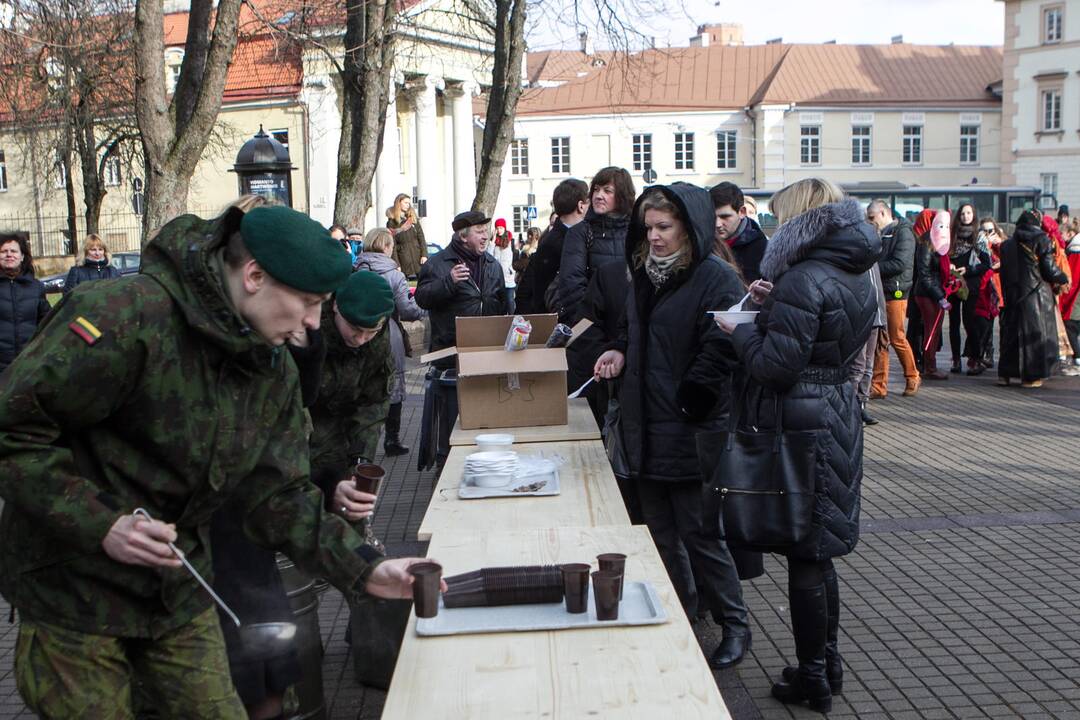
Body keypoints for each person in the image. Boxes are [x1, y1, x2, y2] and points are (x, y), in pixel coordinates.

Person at [0, 205, 440, 717]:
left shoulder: (268, 363)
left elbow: (277, 494)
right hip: (72, 595)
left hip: (178, 592)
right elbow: (13, 432)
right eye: (307, 302)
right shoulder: (123, 316)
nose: (312, 324)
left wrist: (366, 569)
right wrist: (103, 523)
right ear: (254, 276)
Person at [716, 178, 880, 714]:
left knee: (807, 555)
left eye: (781, 217)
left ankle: (813, 677)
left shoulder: (805, 277)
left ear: (801, 220)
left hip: (803, 421)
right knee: (821, 550)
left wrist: (739, 330)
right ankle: (826, 664)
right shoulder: (854, 269)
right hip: (836, 413)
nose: (776, 225)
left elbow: (774, 366)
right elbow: (823, 336)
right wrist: (774, 307)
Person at [594, 182, 751, 672]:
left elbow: (724, 346)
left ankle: (735, 625)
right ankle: (678, 616)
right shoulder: (643, 273)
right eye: (648, 228)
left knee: (702, 534)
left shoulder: (716, 278)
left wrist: (692, 398)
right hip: (646, 424)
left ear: (690, 226)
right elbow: (634, 328)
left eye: (664, 227)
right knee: (659, 533)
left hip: (691, 427)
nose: (654, 237)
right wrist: (619, 348)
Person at [415, 211, 507, 471]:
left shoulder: (492, 265)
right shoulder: (438, 264)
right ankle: (446, 472)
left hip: (486, 358)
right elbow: (421, 298)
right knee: (451, 423)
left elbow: (503, 306)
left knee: (484, 419)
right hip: (450, 359)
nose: (486, 235)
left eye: (486, 230)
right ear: (462, 235)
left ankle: (484, 464)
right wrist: (449, 282)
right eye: (479, 231)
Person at [557, 167, 635, 397]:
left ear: (622, 195)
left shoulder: (637, 233)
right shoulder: (581, 232)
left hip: (629, 331)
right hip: (592, 334)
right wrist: (596, 334)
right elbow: (571, 287)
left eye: (608, 190)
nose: (599, 195)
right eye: (596, 189)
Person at [355, 228, 428, 456]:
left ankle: (361, 446)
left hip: (357, 331)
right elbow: (407, 309)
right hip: (388, 330)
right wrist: (423, 309)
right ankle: (392, 439)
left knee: (361, 385)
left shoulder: (354, 270)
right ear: (387, 247)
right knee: (393, 382)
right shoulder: (394, 275)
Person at [998, 209, 1069, 388]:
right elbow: (1049, 269)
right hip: (1036, 295)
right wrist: (1062, 278)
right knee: (1035, 337)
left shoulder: (1007, 245)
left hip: (1013, 295)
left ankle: (1006, 374)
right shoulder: (1041, 239)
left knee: (1011, 335)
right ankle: (1032, 377)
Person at [865, 200, 919, 398]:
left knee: (896, 337)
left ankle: (912, 375)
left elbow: (899, 263)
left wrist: (871, 267)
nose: (870, 222)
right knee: (881, 339)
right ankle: (879, 386)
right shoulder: (881, 233)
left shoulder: (903, 232)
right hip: (882, 290)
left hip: (896, 292)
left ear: (882, 213)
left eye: (871, 217)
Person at [516, 179, 588, 315]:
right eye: (588, 202)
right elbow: (542, 290)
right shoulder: (557, 242)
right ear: (581, 206)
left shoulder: (560, 237)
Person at [947, 204, 991, 374]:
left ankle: (975, 358)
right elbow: (944, 254)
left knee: (969, 321)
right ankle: (956, 359)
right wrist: (948, 265)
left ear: (974, 215)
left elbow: (986, 264)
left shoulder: (978, 236)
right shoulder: (952, 234)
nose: (966, 216)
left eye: (969, 213)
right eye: (963, 213)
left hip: (971, 283)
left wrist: (969, 270)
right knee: (953, 322)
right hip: (953, 282)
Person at [0, 232, 51, 375]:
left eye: (14, 251)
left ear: (22, 256)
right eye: (4, 251)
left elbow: (46, 321)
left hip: (28, 362)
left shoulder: (36, 287)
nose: (9, 255)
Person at [911, 209, 953, 380]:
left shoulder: (938, 240)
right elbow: (925, 273)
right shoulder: (927, 242)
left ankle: (930, 364)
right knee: (931, 329)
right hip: (928, 293)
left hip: (933, 291)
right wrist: (939, 296)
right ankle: (930, 367)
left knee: (933, 330)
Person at [710, 181, 768, 283]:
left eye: (725, 217)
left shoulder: (762, 248)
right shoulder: (703, 243)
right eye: (713, 217)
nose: (717, 224)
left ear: (742, 212)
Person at [978, 217, 1006, 368]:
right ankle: (987, 353)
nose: (988, 234)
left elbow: (1008, 259)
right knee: (986, 325)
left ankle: (1003, 355)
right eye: (984, 230)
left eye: (990, 230)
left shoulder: (1001, 244)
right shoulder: (980, 244)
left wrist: (999, 244)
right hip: (986, 289)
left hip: (1000, 288)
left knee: (1004, 325)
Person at [387, 193, 427, 279]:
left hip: (418, 258)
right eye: (405, 203)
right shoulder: (392, 222)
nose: (408, 205)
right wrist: (396, 264)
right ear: (399, 203)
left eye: (409, 203)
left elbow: (421, 238)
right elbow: (392, 245)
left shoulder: (413, 219)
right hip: (403, 260)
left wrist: (424, 255)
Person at [1060, 218, 1080, 374]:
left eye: (1063, 233)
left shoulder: (1074, 250)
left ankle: (1077, 362)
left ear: (1071, 233)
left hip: (1076, 298)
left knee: (1070, 326)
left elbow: (1072, 277)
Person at [490, 218, 517, 313]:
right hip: (497, 277)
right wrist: (492, 242)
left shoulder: (510, 241)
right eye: (497, 228)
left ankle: (512, 318)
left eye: (501, 227)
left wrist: (512, 269)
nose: (499, 230)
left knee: (510, 301)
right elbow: (489, 256)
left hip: (508, 276)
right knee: (501, 303)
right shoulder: (493, 242)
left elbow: (515, 256)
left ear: (505, 228)